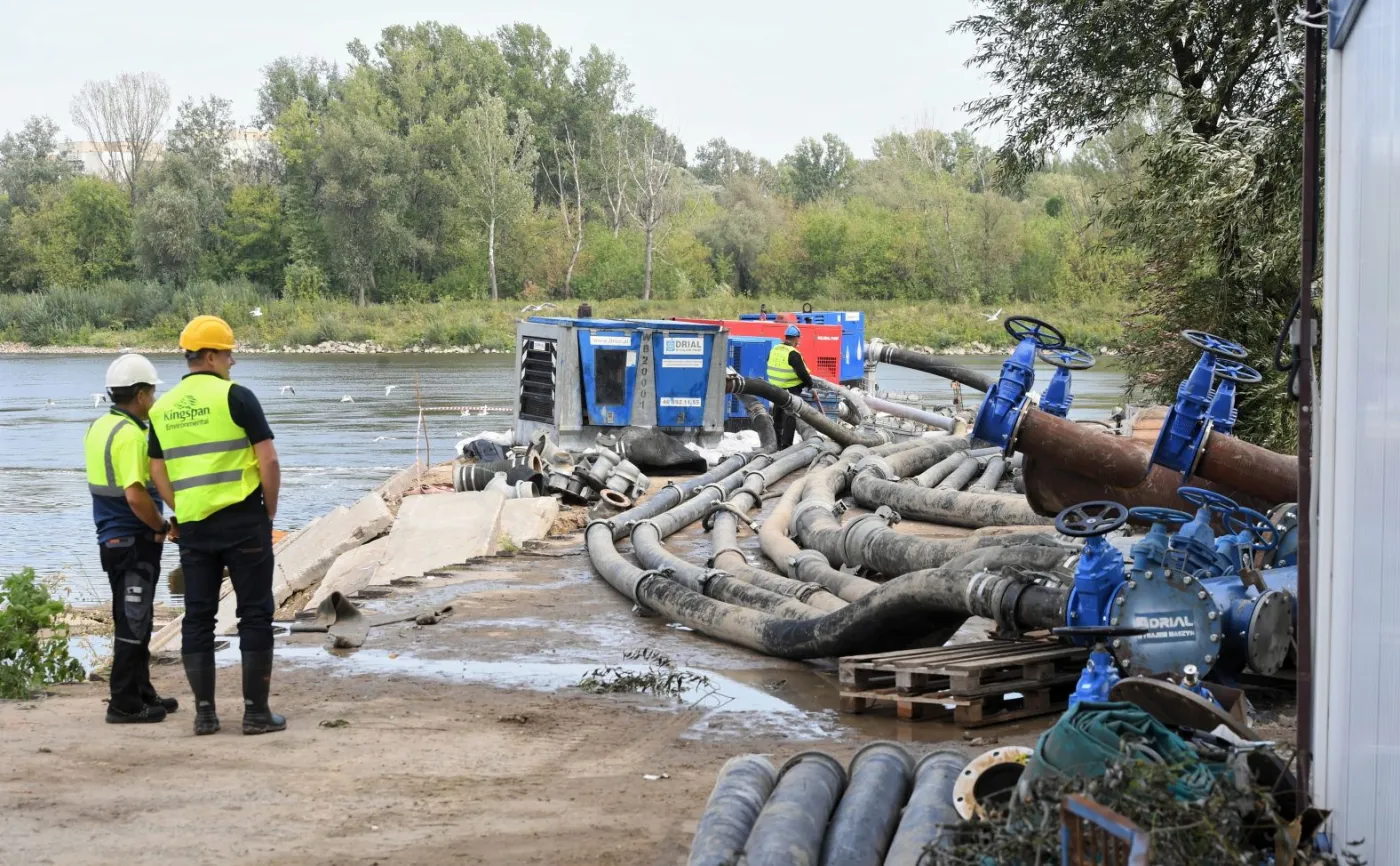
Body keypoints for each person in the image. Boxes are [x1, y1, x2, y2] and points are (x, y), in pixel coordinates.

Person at [148, 315, 285, 736]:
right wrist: (269, 512)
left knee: (197, 617)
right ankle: (255, 713)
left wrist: (183, 506)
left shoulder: (163, 407)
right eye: (228, 354)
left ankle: (205, 714)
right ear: (209, 356)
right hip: (244, 521)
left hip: (193, 529)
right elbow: (269, 460)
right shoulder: (237, 398)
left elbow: (157, 471)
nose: (232, 362)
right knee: (256, 614)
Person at [84, 354, 178, 724]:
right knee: (134, 620)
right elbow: (136, 494)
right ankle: (123, 702)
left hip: (111, 538)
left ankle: (142, 690)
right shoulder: (131, 436)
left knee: (133, 614)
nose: (154, 400)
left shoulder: (100, 426)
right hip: (131, 538)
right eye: (153, 393)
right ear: (140, 394)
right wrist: (160, 525)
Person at [767, 324, 815, 449]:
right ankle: (786, 445)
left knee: (777, 415)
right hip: (791, 388)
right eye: (798, 339)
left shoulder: (775, 349)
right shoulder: (793, 353)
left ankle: (776, 444)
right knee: (790, 415)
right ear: (795, 339)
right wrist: (810, 385)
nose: (798, 341)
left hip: (776, 387)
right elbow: (802, 372)